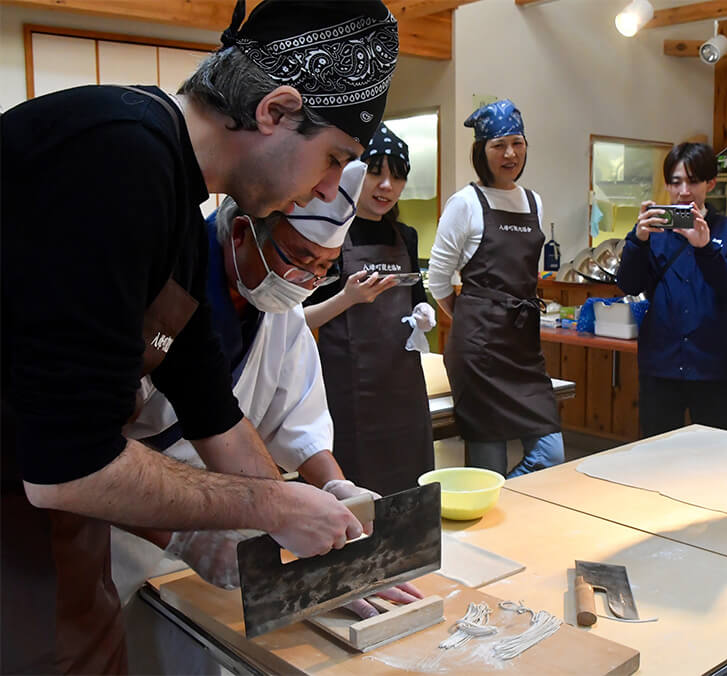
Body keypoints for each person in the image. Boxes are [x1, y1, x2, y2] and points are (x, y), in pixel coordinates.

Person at [0, 1, 398, 672]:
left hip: (48, 529)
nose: (329, 186)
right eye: (333, 159)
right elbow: (67, 466)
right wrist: (270, 503)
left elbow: (216, 415)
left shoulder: (179, 213)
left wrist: (312, 532)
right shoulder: (116, 158)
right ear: (274, 110)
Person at [115, 182, 421, 673]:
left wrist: (335, 493)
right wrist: (183, 535)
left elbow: (295, 422)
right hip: (127, 529)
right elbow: (88, 454)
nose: (306, 279)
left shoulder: (280, 312)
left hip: (238, 526)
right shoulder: (163, 296)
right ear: (241, 234)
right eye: (299, 258)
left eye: (324, 268)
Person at [428, 99, 564, 477]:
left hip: (523, 351)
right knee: (488, 467)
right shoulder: (465, 203)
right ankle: (492, 520)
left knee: (550, 456)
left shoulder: (533, 201)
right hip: (480, 354)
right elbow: (438, 279)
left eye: (517, 143)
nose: (510, 154)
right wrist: (471, 317)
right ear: (481, 151)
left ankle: (504, 503)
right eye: (498, 145)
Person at [304, 126, 436, 495]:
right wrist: (347, 298)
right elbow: (298, 321)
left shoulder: (405, 236)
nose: (386, 186)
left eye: (398, 175)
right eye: (375, 172)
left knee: (409, 487)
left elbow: (416, 300)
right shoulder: (328, 236)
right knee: (354, 492)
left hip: (403, 387)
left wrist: (425, 316)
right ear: (352, 172)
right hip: (347, 393)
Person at [617, 142, 727, 437]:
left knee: (721, 453)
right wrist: (638, 240)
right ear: (666, 185)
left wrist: (705, 248)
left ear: (710, 183)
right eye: (676, 182)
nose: (684, 191)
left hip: (712, 365)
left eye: (693, 181)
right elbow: (628, 284)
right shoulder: (652, 232)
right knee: (656, 455)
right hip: (660, 365)